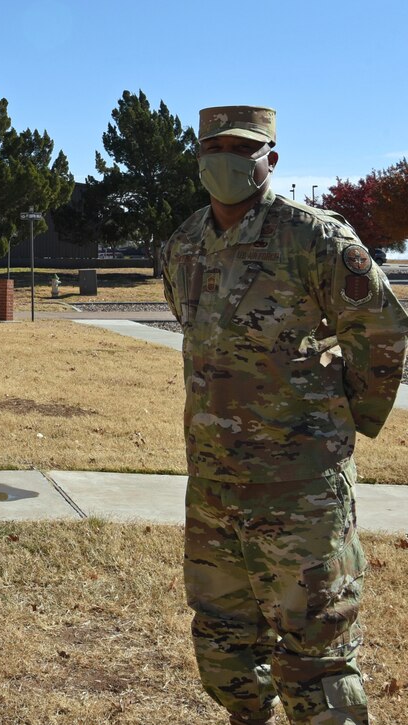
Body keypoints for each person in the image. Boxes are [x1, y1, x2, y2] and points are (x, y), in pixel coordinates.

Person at [162, 106, 408, 725]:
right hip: (213, 484)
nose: (226, 160)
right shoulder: (184, 244)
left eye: (242, 148)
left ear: (270, 159)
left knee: (315, 657)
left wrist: (336, 422)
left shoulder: (315, 238)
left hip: (301, 489)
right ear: (199, 158)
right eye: (214, 147)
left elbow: (381, 331)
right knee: (224, 646)